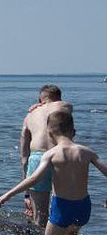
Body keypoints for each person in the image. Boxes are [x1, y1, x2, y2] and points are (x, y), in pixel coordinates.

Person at [0, 110, 107, 235]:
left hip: (62, 206)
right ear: (73, 131)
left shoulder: (51, 154)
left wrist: (8, 194)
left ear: (49, 132)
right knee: (72, 234)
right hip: (83, 206)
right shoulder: (87, 152)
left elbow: (33, 179)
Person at [18, 85, 73, 226]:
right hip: (59, 156)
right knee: (61, 210)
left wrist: (26, 194)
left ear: (40, 99)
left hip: (36, 159)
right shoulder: (64, 106)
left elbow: (24, 158)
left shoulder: (29, 116)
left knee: (39, 216)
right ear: (59, 97)